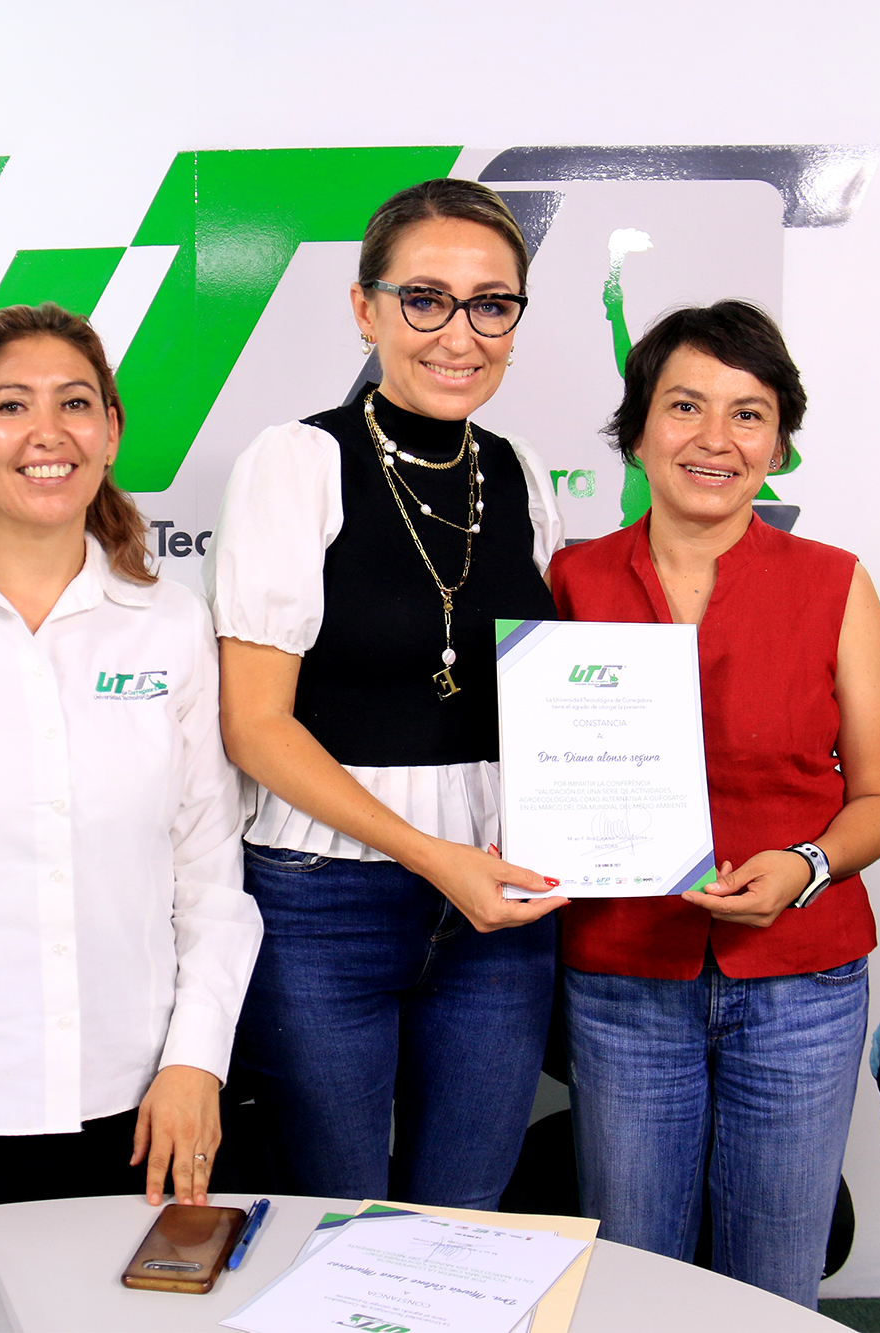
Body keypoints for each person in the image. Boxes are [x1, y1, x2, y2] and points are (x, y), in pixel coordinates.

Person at [0, 303, 261, 1216]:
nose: (47, 432)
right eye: (11, 405)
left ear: (110, 432)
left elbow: (208, 869)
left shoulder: (172, 624)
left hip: (144, 1096)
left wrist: (197, 1059)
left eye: (74, 403)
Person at [206, 178, 568, 1209]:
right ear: (365, 309)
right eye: (424, 299)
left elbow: (537, 705)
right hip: (326, 903)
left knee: (460, 1221)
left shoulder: (523, 473)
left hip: (499, 904)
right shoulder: (298, 462)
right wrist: (433, 857)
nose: (460, 334)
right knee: (332, 1219)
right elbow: (254, 725)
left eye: (490, 304)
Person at [547, 301, 880, 1307]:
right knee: (635, 1279)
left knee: (773, 1285)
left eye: (748, 414)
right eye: (685, 406)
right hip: (623, 976)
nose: (715, 439)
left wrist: (807, 863)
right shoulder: (570, 580)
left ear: (778, 444)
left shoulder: (834, 583)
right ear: (636, 430)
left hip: (802, 983)